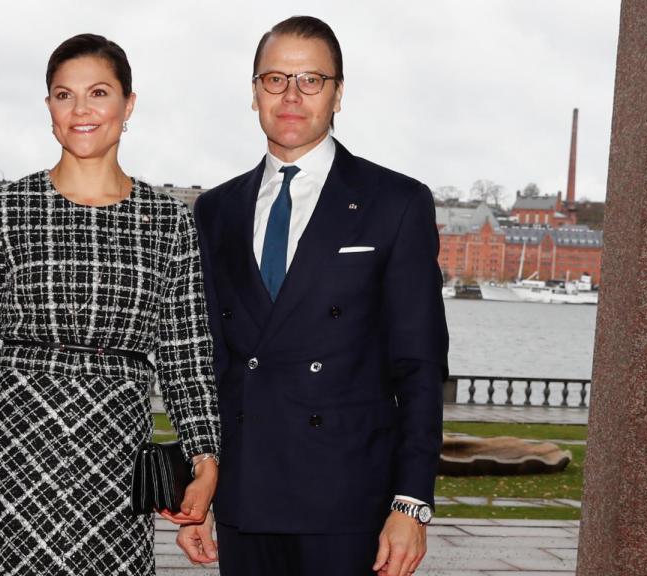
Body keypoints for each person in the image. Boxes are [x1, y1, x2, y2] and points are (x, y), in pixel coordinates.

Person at [0, 33, 221, 576]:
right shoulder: (6, 210)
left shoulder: (168, 221)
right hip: (13, 461)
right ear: (49, 109)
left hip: (115, 461)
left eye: (99, 93)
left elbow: (186, 357)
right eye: (64, 96)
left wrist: (206, 459)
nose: (81, 110)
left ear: (128, 105)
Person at [180, 16, 448, 576]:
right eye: (275, 80)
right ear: (254, 92)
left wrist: (411, 504)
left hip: (350, 499)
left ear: (338, 93)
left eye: (311, 80)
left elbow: (420, 365)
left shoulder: (395, 201)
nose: (292, 96)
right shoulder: (217, 209)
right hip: (245, 494)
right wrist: (202, 485)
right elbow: (212, 364)